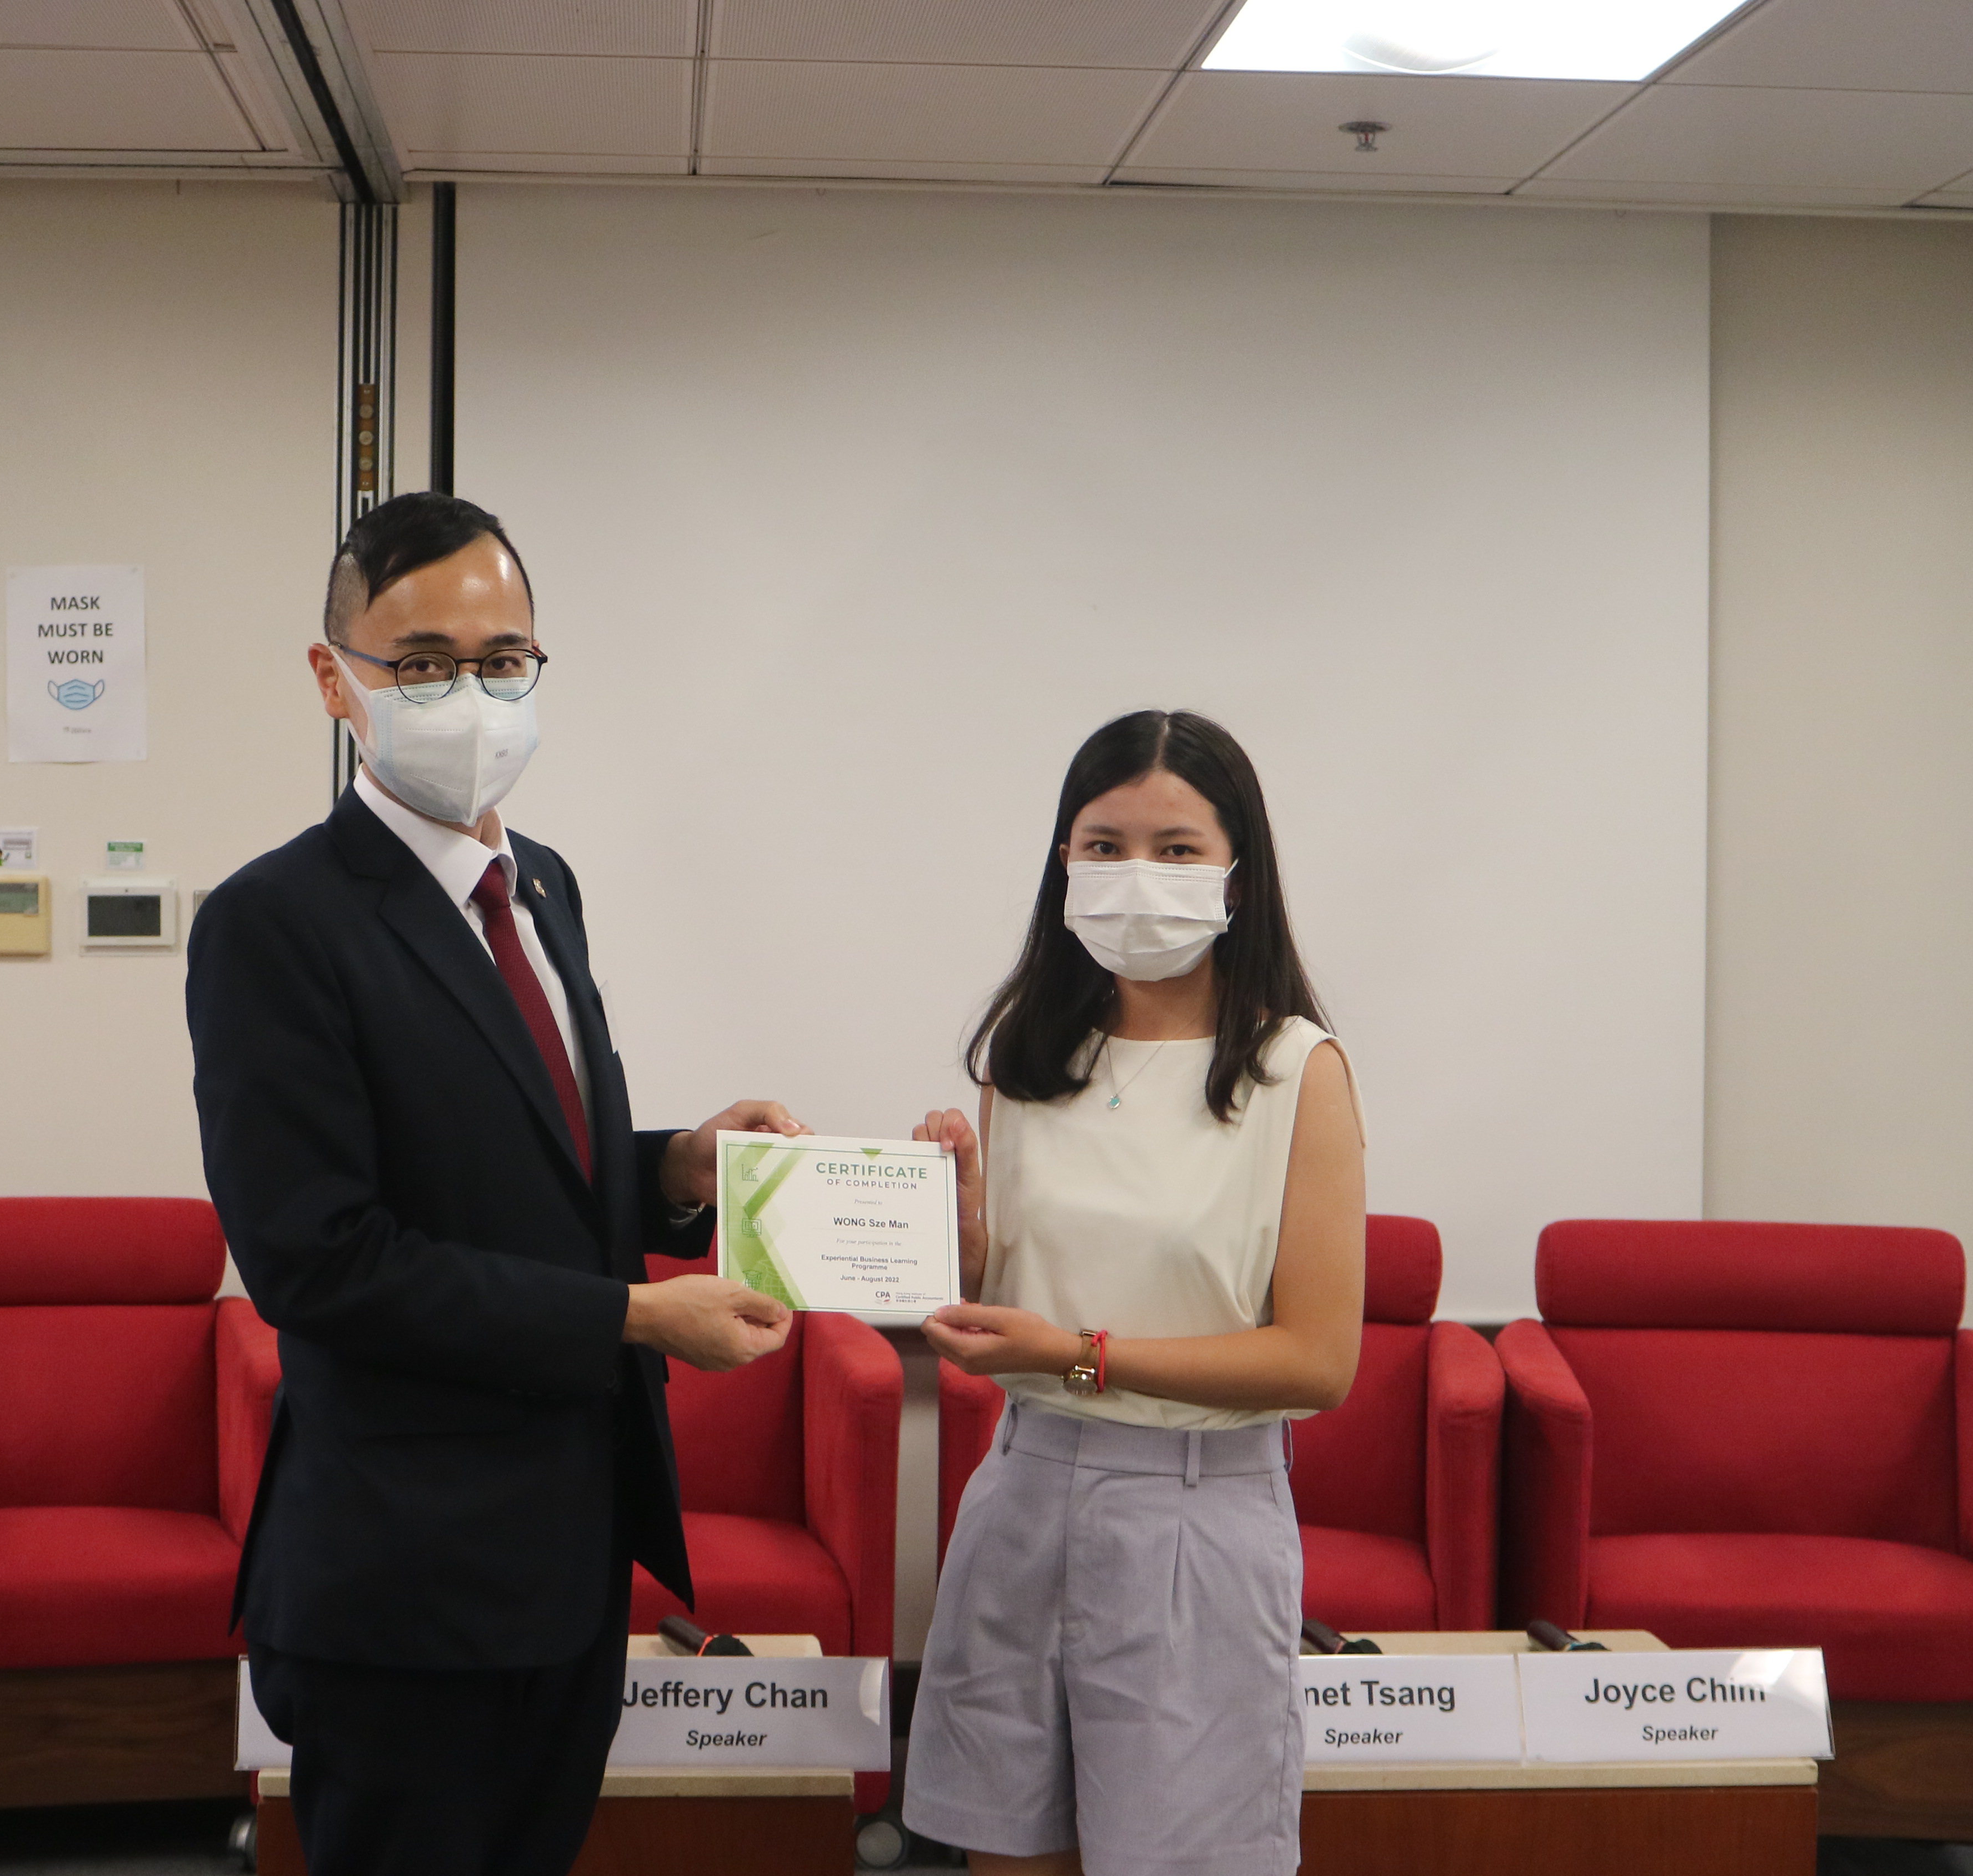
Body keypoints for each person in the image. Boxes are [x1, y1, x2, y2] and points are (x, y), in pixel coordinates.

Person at [187, 491, 805, 1876]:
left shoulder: (544, 887)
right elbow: (320, 1258)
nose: (470, 695)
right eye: (421, 662)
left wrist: (680, 1168)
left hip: (571, 1555)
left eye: (503, 658)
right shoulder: (274, 922)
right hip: (404, 1582)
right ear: (334, 677)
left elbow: (524, 1165)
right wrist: (636, 1316)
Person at [903, 708, 1368, 1876]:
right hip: (1021, 1494)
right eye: (1104, 845)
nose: (1136, 875)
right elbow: (1008, 1305)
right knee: (1003, 1850)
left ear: (1236, 875)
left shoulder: (1294, 1070)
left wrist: (1076, 1351)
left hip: (1195, 1515)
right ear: (1063, 859)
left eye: (1176, 848)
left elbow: (1318, 1361)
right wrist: (959, 1244)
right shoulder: (1026, 1056)